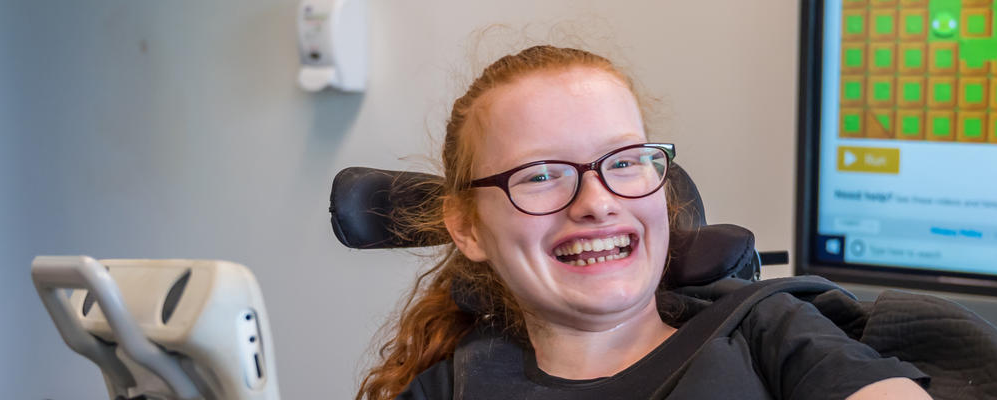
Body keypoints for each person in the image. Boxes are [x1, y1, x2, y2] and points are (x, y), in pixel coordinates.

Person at [355, 45, 931, 399]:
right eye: (541, 174)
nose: (597, 200)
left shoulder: (770, 332)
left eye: (624, 161)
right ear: (468, 229)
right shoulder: (447, 389)